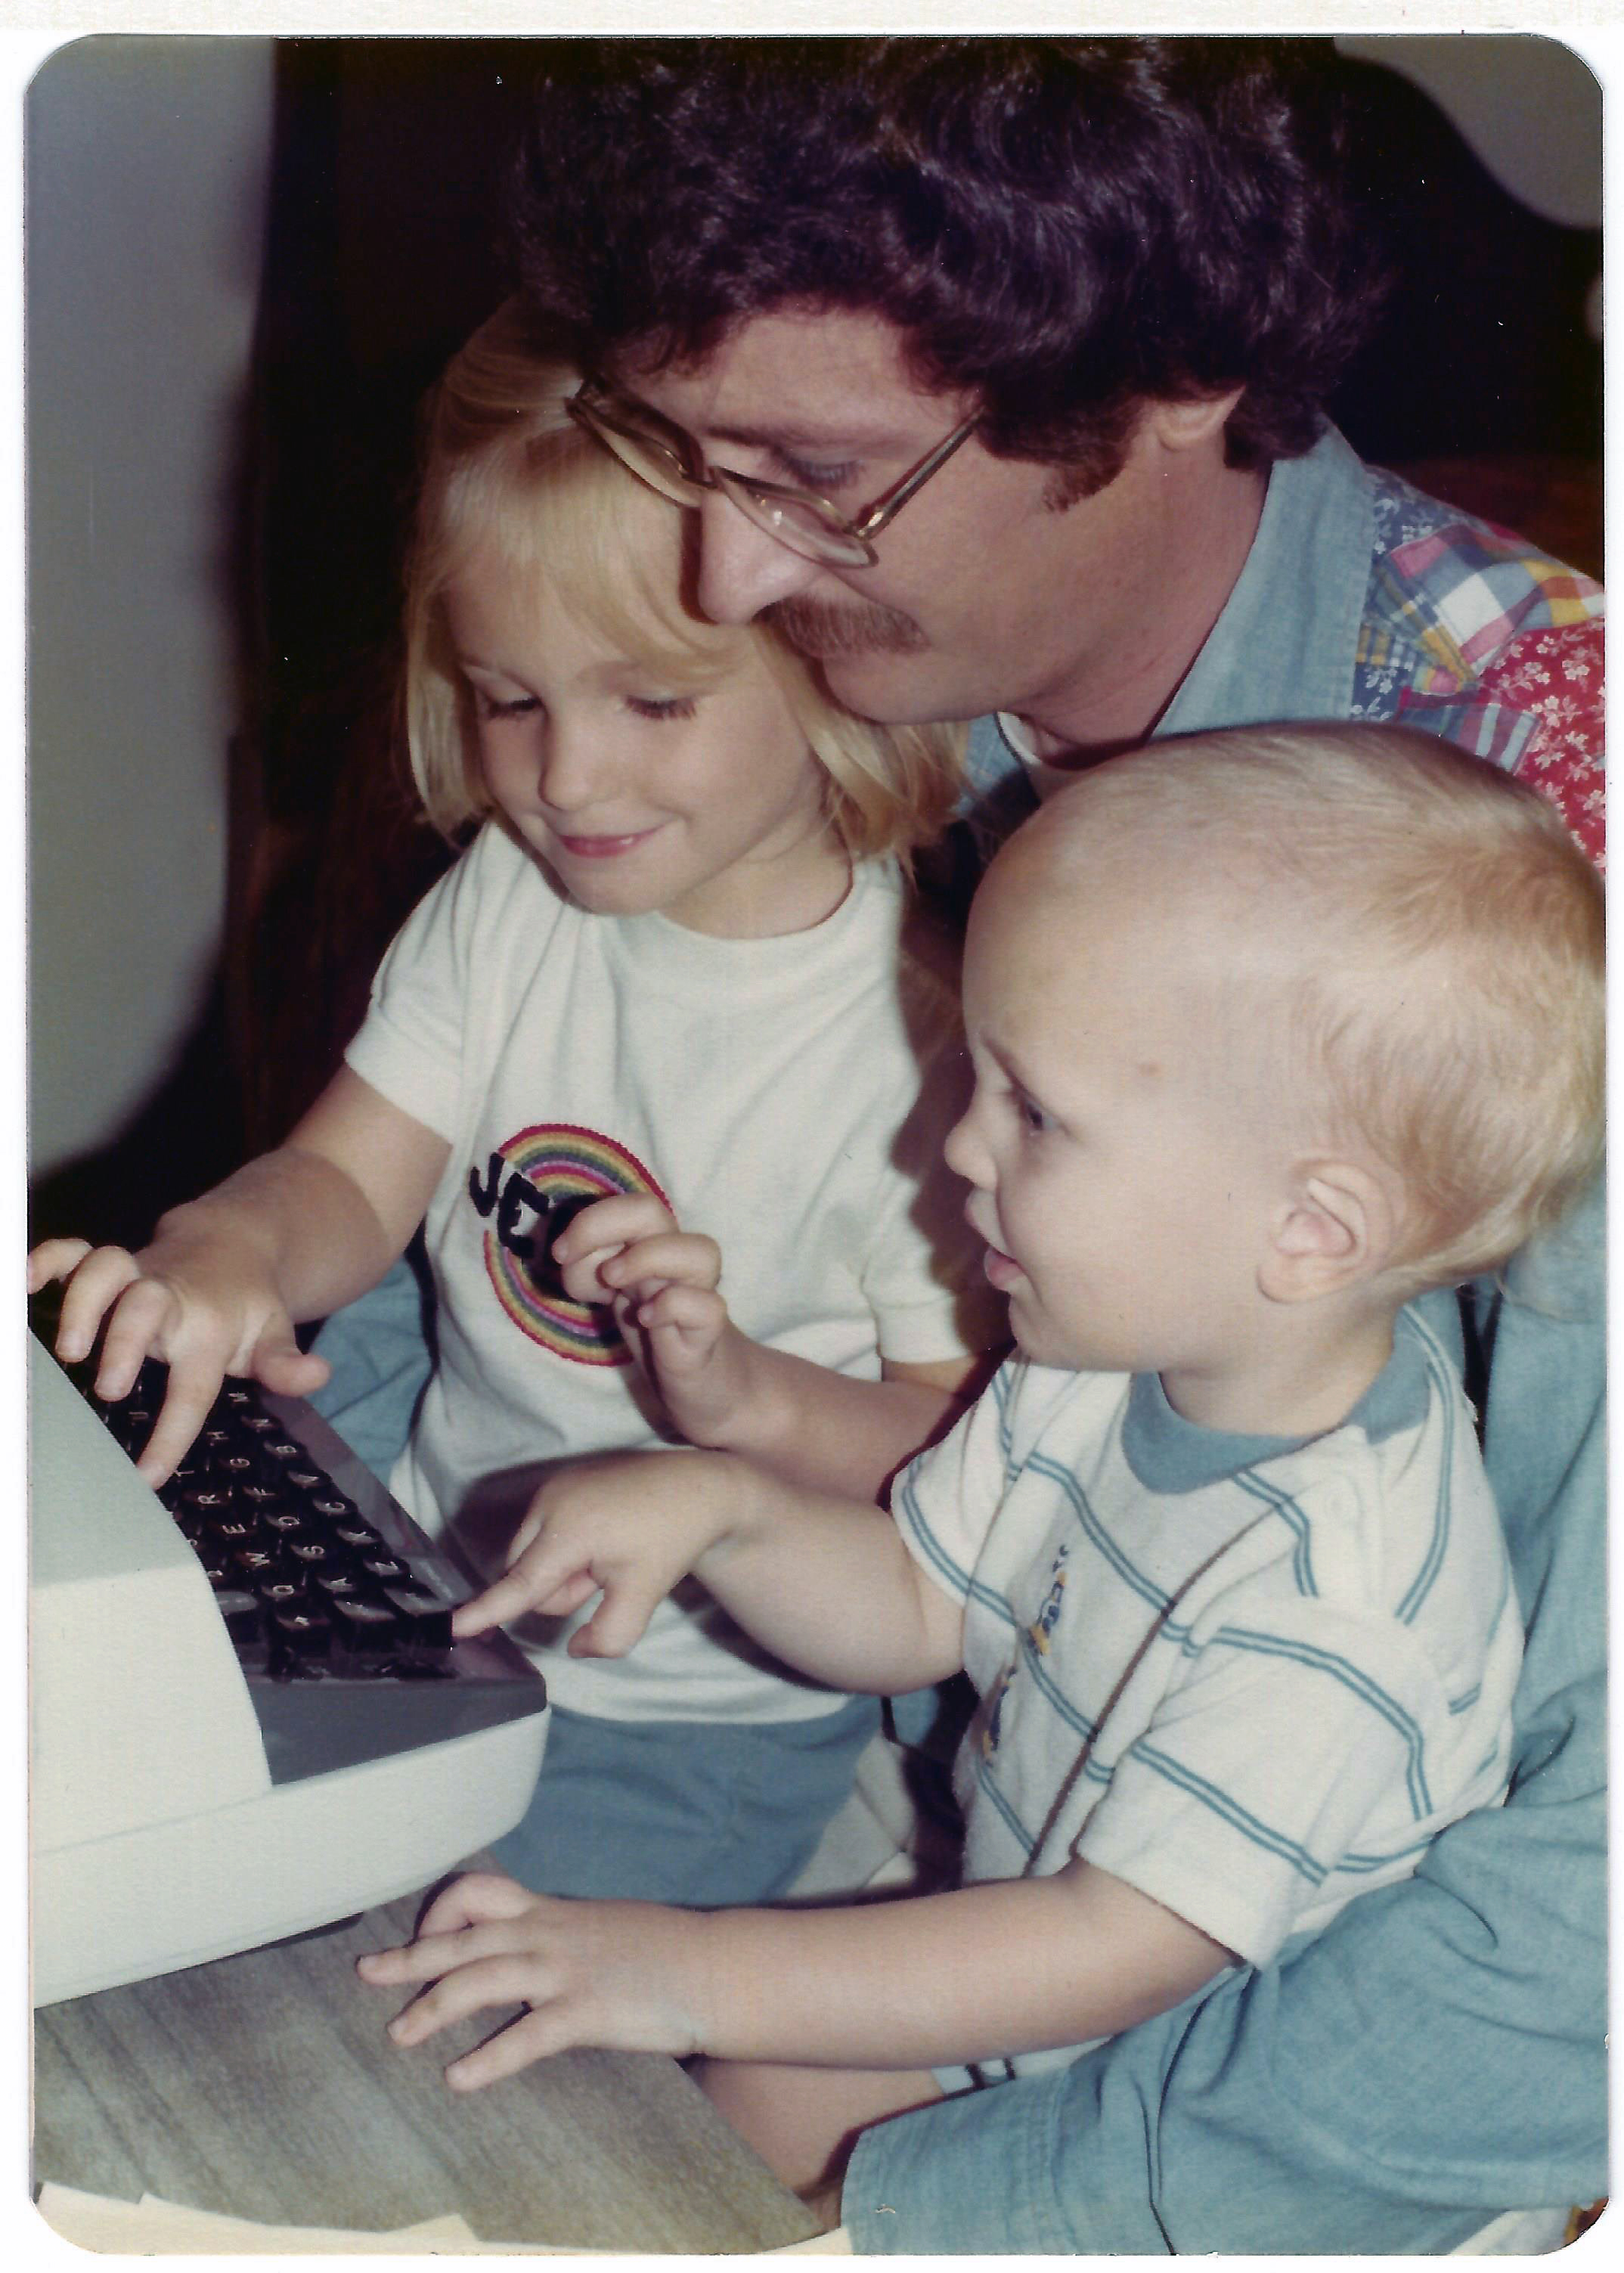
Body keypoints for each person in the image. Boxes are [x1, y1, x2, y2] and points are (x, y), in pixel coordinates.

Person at [315, 36, 1604, 2248]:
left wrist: (915, 2202)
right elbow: (501, 1163)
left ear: (1182, 368)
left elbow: (1582, 1931)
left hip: (1201, 2010)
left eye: (818, 475)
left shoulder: (1543, 859)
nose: (718, 578)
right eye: (676, 452)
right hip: (893, 1765)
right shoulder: (827, 661)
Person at [356, 724, 1604, 2223]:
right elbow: (915, 1600)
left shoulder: (1341, 1608)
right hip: (1045, 1966)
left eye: (1034, 1112)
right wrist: (727, 1512)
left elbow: (1108, 1944)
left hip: (1176, 2080)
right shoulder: (1102, 1358)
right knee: (677, 2125)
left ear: (1313, 1233)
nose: (953, 1147)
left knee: (713, 2143)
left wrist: (672, 1963)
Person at [26, 300, 1000, 1911]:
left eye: (655, 704)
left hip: (696, 1712)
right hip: (432, 1578)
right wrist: (232, 1249)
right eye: (510, 697)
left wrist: (742, 1392)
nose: (566, 780)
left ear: (828, 656)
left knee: (446, 2003)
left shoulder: (928, 1049)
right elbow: (351, 1177)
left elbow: (946, 1463)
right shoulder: (514, 892)